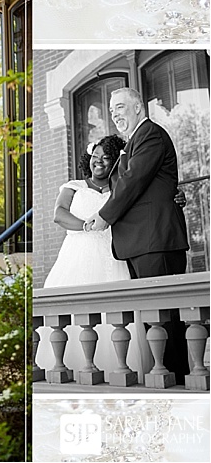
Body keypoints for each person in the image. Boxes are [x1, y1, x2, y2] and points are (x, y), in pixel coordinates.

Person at [88, 86, 190, 384]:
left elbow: (132, 181)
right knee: (154, 319)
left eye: (120, 106)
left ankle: (179, 380)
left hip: (155, 240)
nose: (115, 114)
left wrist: (105, 215)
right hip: (140, 243)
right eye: (111, 110)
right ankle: (165, 377)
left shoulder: (151, 135)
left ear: (138, 107)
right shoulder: (133, 142)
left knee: (166, 317)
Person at [44, 135, 132, 287]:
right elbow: (59, 214)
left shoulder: (120, 191)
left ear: (116, 162)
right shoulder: (74, 186)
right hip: (77, 254)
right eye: (95, 156)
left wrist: (175, 195)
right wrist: (87, 226)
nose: (99, 161)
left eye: (106, 157)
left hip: (112, 255)